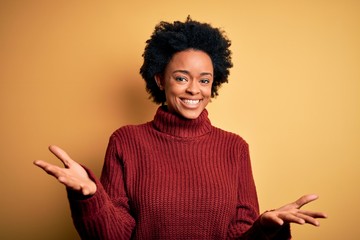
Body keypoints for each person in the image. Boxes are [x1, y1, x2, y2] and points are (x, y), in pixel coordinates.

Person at [34, 17, 327, 239]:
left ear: (214, 84)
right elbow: (118, 235)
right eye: (182, 78)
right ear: (160, 79)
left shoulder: (234, 147)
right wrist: (89, 196)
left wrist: (264, 227)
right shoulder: (126, 141)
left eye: (204, 80)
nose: (194, 91)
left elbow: (239, 236)